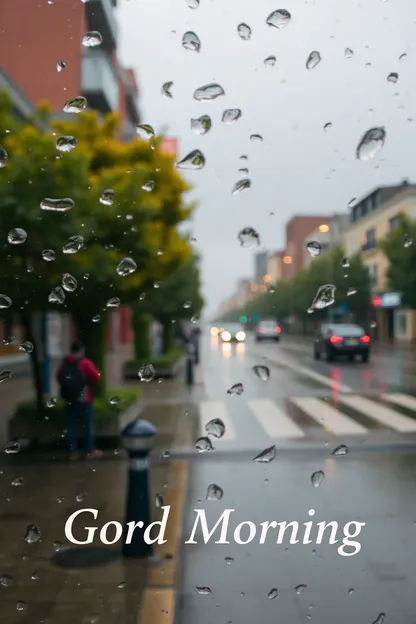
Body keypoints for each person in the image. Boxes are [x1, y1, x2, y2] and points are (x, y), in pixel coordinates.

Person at [57, 339, 102, 460]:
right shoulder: (85, 363)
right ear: (81, 350)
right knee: (88, 424)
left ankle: (73, 452)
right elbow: (96, 377)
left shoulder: (65, 363)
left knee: (70, 425)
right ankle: (89, 450)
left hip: (69, 399)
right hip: (84, 399)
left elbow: (59, 377)